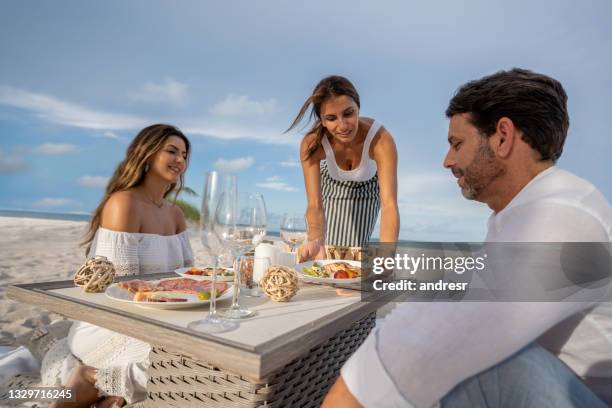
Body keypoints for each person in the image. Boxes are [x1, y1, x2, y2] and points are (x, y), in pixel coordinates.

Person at [322, 69, 611, 407]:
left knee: (486, 365)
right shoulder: (527, 214)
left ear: (502, 137)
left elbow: (440, 327)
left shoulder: (564, 217)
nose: (447, 161)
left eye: (456, 144)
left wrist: (347, 396)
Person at [43, 124, 194, 408]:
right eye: (171, 151)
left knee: (204, 351)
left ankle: (112, 393)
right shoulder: (123, 203)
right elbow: (120, 291)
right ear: (147, 154)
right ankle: (90, 377)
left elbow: (188, 277)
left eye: (184, 155)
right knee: (177, 362)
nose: (180, 160)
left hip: (161, 317)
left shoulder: (176, 214)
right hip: (114, 323)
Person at [287, 75, 400, 259]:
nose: (343, 125)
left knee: (353, 256)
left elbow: (389, 205)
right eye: (331, 118)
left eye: (348, 113)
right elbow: (315, 204)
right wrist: (316, 240)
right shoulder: (311, 143)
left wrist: (388, 256)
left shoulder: (381, 140)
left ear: (358, 108)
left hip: (368, 188)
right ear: (322, 120)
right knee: (326, 253)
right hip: (331, 184)